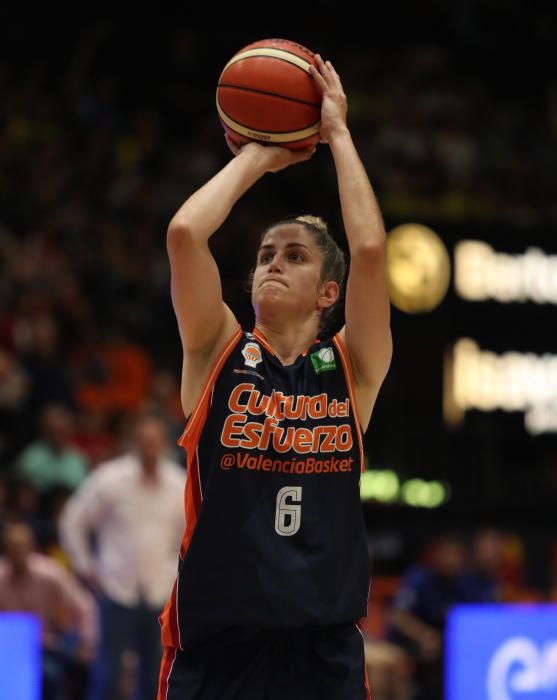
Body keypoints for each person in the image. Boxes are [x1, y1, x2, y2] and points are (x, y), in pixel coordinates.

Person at [158, 53, 393, 699]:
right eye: (265, 254)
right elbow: (184, 233)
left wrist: (337, 131)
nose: (272, 264)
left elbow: (370, 252)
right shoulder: (216, 354)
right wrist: (263, 154)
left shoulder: (352, 368)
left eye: (294, 256)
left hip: (320, 647)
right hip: (217, 640)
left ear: (327, 293)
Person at [58, 414, 186, 700]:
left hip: (161, 591)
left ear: (164, 443)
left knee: (157, 673)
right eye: (144, 440)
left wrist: (180, 576)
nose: (149, 446)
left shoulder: (179, 483)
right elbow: (73, 520)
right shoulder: (110, 479)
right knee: (109, 672)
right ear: (132, 442)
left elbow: (188, 535)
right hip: (116, 587)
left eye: (155, 441)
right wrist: (84, 566)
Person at [0, 521, 98, 700]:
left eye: (21, 546)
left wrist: (87, 643)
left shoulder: (49, 573)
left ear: (31, 547)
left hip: (46, 645)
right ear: (6, 550)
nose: (17, 552)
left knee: (50, 674)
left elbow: (84, 605)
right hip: (7, 650)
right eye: (12, 547)